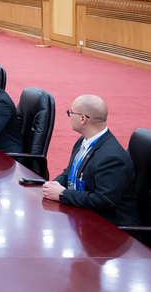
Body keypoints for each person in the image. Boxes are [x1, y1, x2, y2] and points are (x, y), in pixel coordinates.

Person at [42, 94, 141, 226]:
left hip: (112, 230)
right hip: (85, 215)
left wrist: (62, 194)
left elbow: (104, 201)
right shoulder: (84, 141)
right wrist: (54, 185)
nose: (70, 116)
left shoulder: (111, 157)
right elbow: (70, 172)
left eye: (71, 113)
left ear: (83, 119)